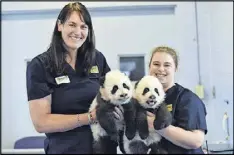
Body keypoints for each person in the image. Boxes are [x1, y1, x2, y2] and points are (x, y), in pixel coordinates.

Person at [26, 2, 122, 154]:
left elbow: (115, 96)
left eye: (83, 26)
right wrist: (89, 117)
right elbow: (41, 123)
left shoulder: (97, 59)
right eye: (72, 24)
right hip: (66, 149)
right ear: (60, 25)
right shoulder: (41, 66)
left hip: (104, 148)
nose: (78, 32)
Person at [146, 46, 208, 154]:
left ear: (176, 68)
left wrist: (156, 125)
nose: (161, 69)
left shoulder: (187, 99)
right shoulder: (144, 99)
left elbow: (196, 140)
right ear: (149, 66)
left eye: (167, 65)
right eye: (156, 64)